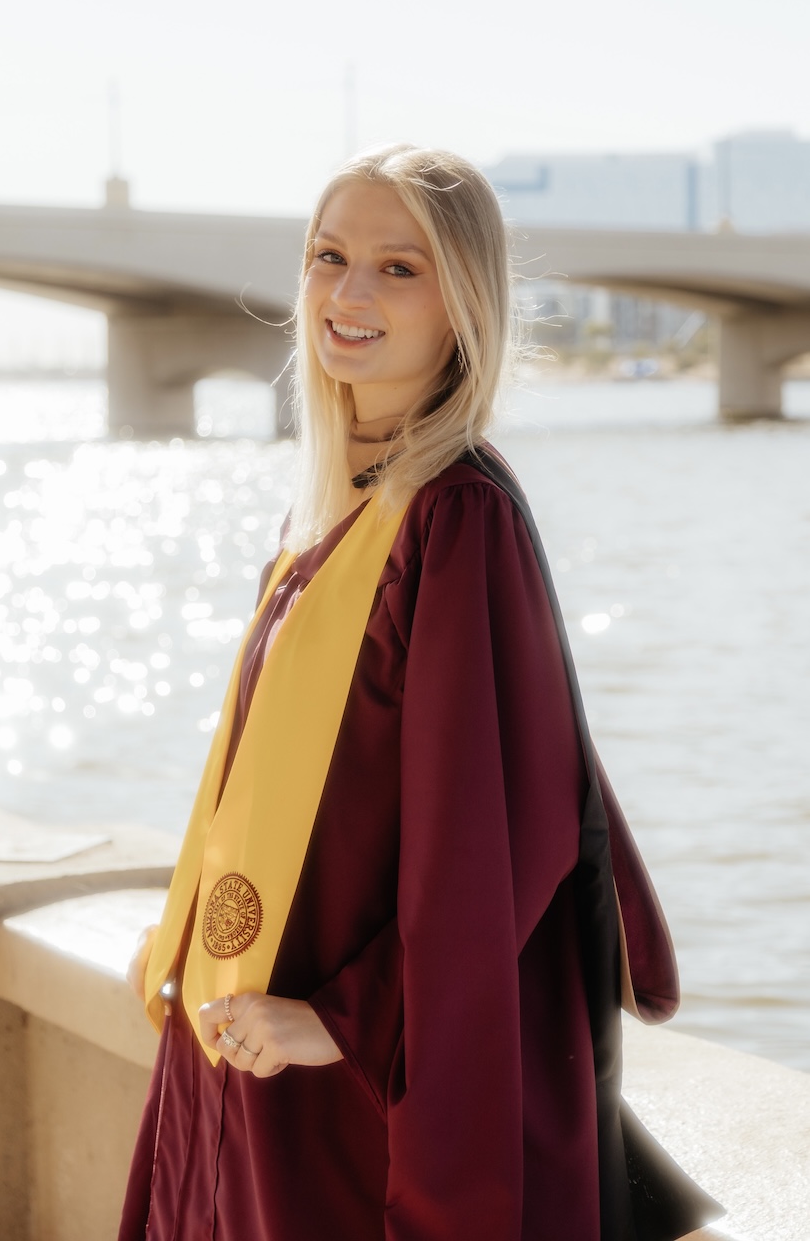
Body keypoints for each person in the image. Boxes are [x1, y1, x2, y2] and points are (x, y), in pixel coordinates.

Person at [121, 144, 722, 1240]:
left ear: (465, 306)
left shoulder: (457, 521)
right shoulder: (328, 522)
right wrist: (186, 936)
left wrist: (342, 1018)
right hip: (245, 1048)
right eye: (329, 256)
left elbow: (497, 837)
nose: (348, 294)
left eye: (399, 268)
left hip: (346, 1081)